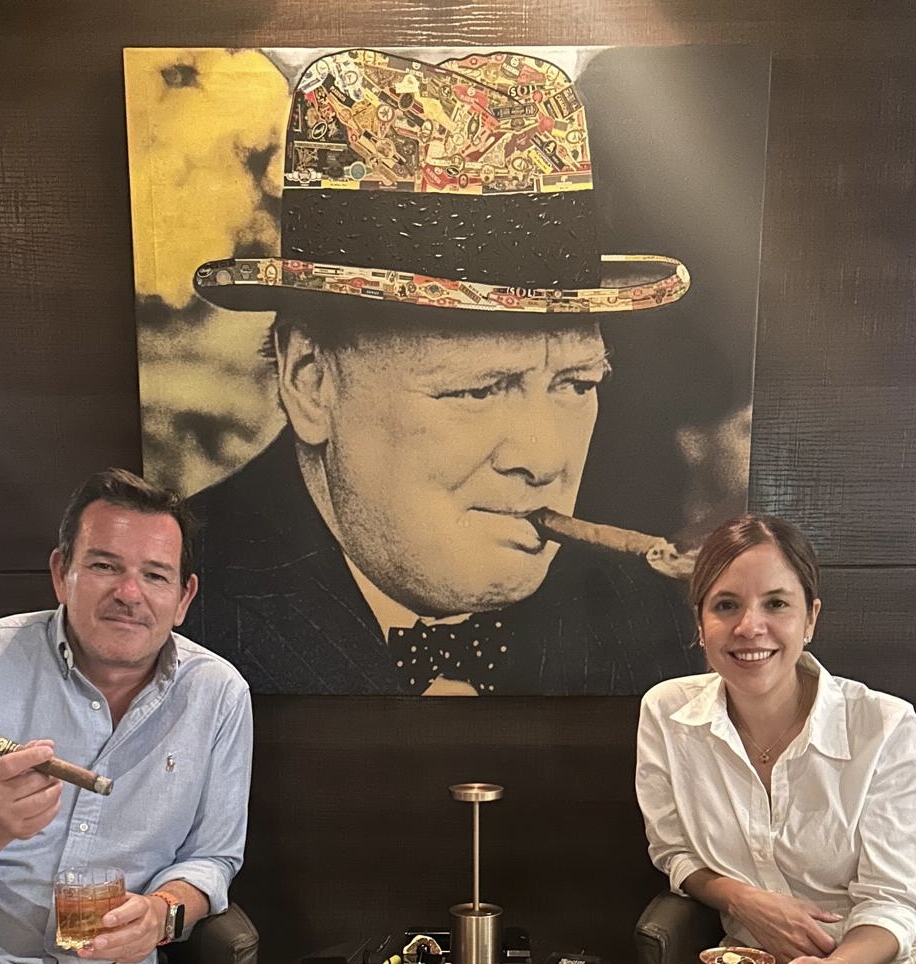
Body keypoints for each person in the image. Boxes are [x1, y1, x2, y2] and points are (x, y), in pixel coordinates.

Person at [182, 47, 706, 696]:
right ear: (311, 381)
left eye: (576, 383)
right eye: (478, 390)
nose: (544, 461)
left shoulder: (648, 620)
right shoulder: (172, 606)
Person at [0, 468, 253, 964]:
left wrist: (160, 914)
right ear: (62, 574)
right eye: (105, 565)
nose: (129, 593)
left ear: (183, 598)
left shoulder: (219, 694)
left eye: (155, 575)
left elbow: (212, 858)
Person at [635, 514, 916, 964]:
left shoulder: (883, 725)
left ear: (810, 618)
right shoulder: (667, 713)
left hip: (902, 954)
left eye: (776, 604)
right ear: (700, 624)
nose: (749, 626)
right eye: (726, 605)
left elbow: (892, 902)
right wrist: (742, 900)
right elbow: (675, 852)